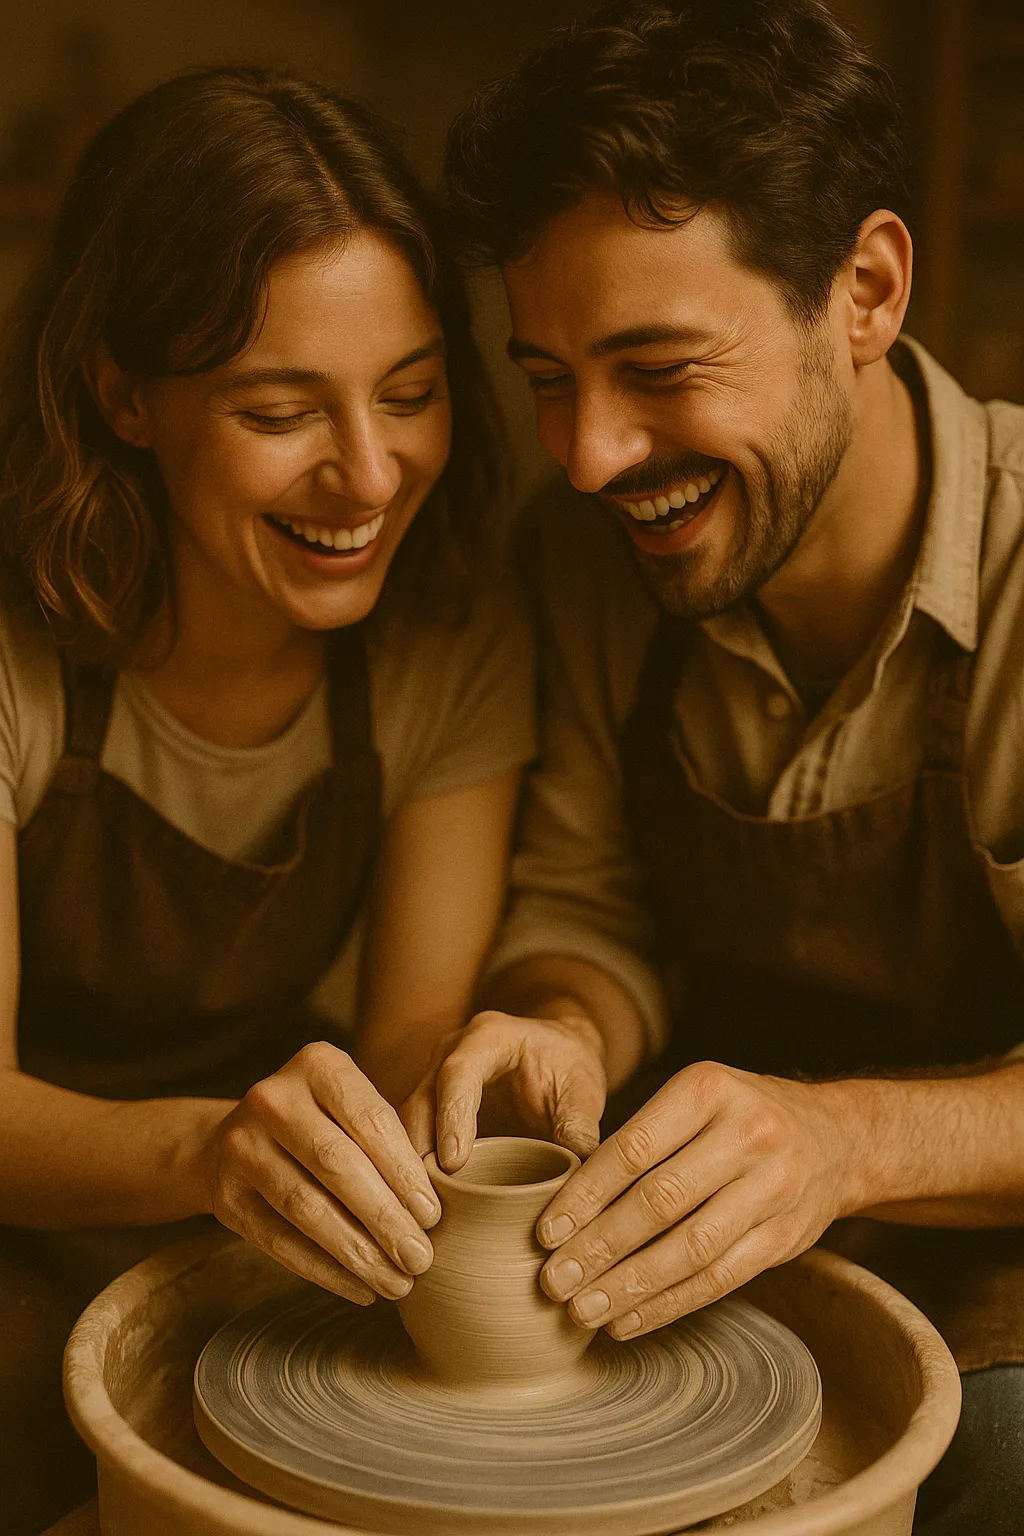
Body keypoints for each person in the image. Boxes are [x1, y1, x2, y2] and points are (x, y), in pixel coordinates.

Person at [406, 2, 1024, 1529]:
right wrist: (562, 1025)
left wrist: (841, 1138)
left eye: (657, 366)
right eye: (546, 374)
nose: (590, 454)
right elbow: (588, 909)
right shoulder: (585, 559)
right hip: (718, 1261)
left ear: (865, 291)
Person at [0, 67, 538, 1533]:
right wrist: (206, 1148)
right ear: (121, 394)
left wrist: (457, 1117)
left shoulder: (451, 631)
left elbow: (411, 1039)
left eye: (414, 393)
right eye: (281, 407)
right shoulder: (18, 656)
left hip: (239, 1198)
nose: (368, 474)